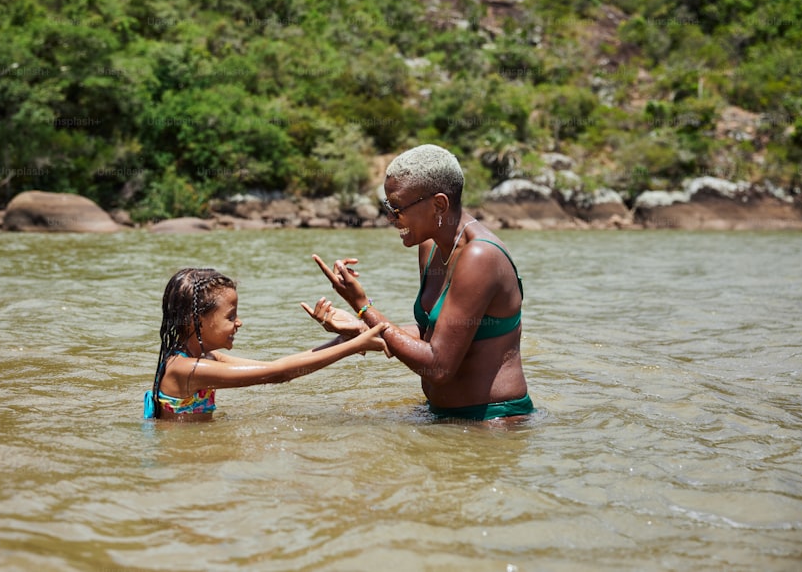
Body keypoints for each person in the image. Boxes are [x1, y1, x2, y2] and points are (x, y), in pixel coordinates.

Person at [307, 144, 534, 422]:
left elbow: (438, 367)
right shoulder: (430, 246)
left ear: (439, 204)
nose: (390, 218)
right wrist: (360, 328)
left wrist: (363, 307)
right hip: (441, 416)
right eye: (387, 206)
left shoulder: (480, 256)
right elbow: (434, 331)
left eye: (398, 208)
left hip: (491, 423)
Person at [144, 267, 388, 421]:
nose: (238, 323)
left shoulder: (206, 359)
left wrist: (342, 339)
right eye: (230, 317)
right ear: (193, 322)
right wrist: (353, 347)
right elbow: (278, 374)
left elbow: (277, 366)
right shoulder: (185, 369)